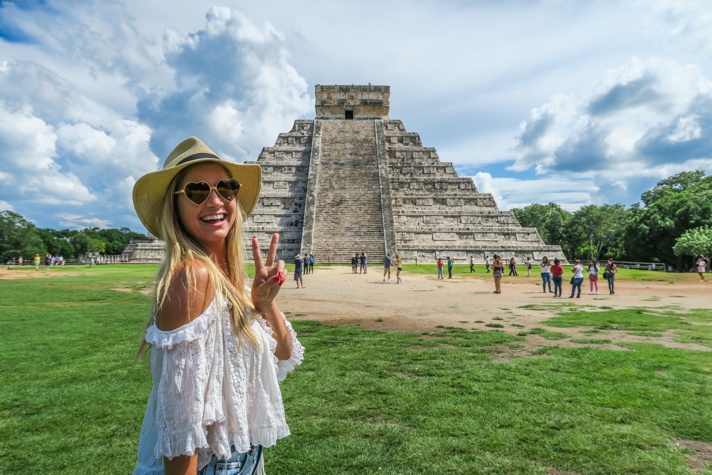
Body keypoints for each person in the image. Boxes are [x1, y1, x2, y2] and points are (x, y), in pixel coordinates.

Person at [131, 137, 304, 475]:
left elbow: (285, 354)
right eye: (197, 191)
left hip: (245, 458)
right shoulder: (192, 276)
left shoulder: (234, 282)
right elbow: (183, 425)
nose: (216, 200)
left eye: (226, 187)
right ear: (175, 208)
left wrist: (264, 306)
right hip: (213, 464)